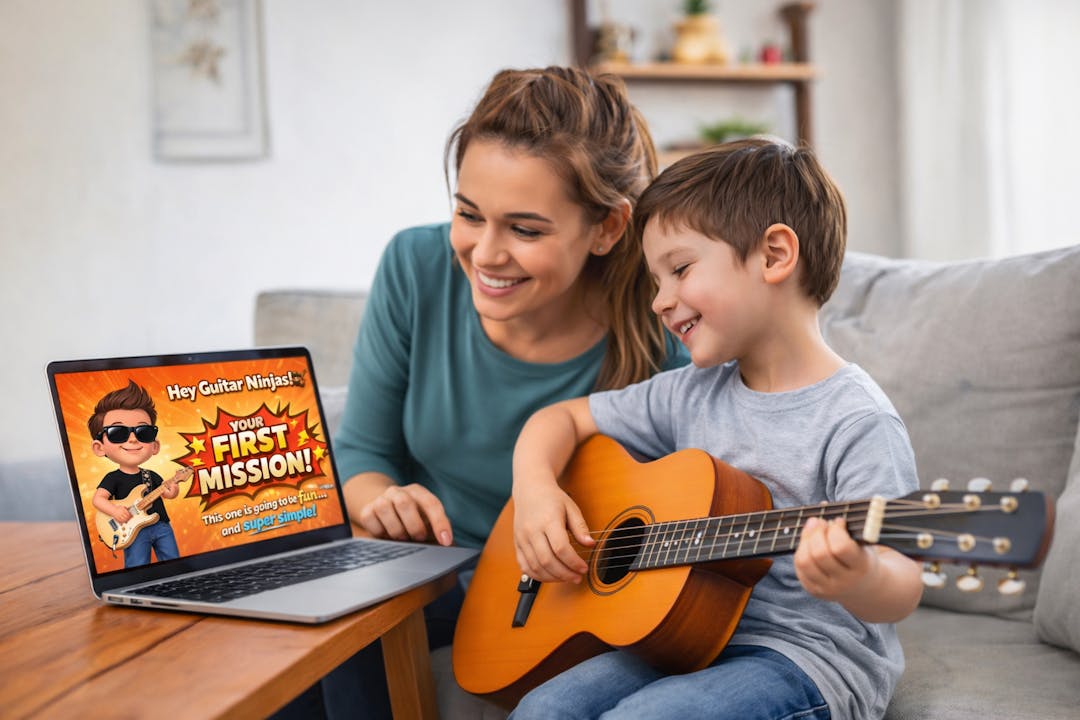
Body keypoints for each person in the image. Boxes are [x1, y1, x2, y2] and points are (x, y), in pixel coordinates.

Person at [278, 66, 688, 719]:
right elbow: (359, 451)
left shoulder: (665, 330)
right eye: (468, 215)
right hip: (423, 579)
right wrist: (384, 500)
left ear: (608, 228)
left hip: (553, 610)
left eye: (525, 230)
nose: (485, 253)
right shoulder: (415, 267)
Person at [508, 138, 924, 720]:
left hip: (809, 660)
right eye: (656, 280)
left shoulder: (858, 420)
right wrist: (535, 491)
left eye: (678, 269)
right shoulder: (690, 394)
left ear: (775, 255)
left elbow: (902, 584)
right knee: (542, 710)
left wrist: (858, 574)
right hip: (686, 637)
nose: (659, 301)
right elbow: (559, 418)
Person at [89, 380, 181, 567]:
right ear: (99, 447)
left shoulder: (151, 475)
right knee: (137, 565)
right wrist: (115, 511)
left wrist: (175, 486)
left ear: (154, 446)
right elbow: (98, 500)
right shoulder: (112, 478)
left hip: (161, 524)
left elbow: (169, 494)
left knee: (173, 561)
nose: (132, 439)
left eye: (143, 432)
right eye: (117, 432)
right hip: (133, 530)